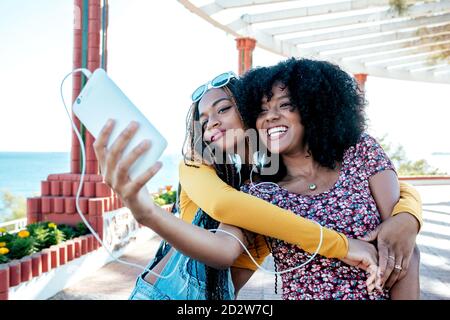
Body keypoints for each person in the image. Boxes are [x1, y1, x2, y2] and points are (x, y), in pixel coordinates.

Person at [93, 69, 421, 299]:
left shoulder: (264, 181)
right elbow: (226, 211)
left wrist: (407, 216)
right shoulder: (197, 165)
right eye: (203, 120)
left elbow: (389, 186)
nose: (212, 123)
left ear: (249, 112)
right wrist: (341, 245)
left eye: (223, 109)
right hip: (165, 293)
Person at [233, 57, 421, 299]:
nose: (270, 116)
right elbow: (227, 267)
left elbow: (406, 252)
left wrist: (410, 218)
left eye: (285, 105)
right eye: (261, 110)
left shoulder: (361, 152)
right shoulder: (260, 193)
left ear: (313, 107)